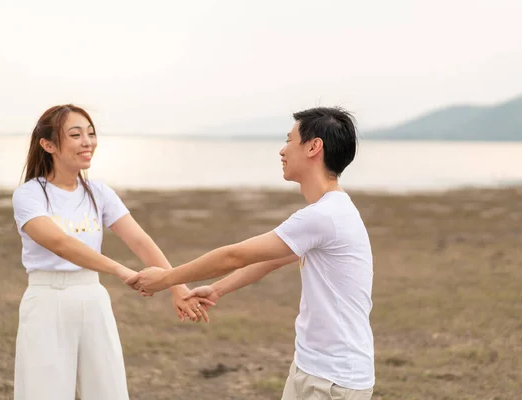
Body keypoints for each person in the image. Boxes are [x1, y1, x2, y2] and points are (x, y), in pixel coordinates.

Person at [128, 107, 375, 399]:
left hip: (336, 379)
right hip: (310, 366)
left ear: (313, 147)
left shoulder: (325, 216)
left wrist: (166, 279)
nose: (282, 151)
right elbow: (271, 260)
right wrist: (217, 290)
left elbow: (235, 256)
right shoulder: (328, 212)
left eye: (289, 140)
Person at [12, 104, 213, 400]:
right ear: (49, 144)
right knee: (44, 392)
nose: (87, 142)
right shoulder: (29, 195)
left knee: (108, 391)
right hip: (46, 301)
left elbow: (140, 241)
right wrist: (119, 269)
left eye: (91, 134)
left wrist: (176, 286)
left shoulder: (100, 193)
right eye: (76, 134)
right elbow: (60, 243)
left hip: (93, 299)